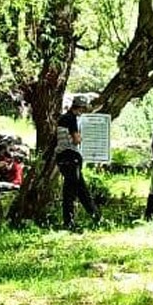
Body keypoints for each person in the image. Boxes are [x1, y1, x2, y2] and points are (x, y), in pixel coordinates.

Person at [56, 98, 100, 228]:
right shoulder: (72, 119)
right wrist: (80, 137)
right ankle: (69, 221)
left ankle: (94, 215)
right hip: (71, 157)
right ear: (79, 108)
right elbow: (76, 139)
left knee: (80, 189)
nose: (82, 112)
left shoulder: (63, 118)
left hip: (62, 158)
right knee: (71, 191)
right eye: (82, 109)